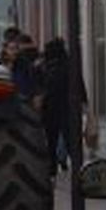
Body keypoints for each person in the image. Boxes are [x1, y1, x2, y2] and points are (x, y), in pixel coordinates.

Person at [40, 37, 89, 186]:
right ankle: (79, 171)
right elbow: (80, 86)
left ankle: (52, 173)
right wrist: (86, 106)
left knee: (51, 142)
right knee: (72, 142)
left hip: (50, 111)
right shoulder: (70, 66)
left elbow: (43, 89)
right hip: (69, 110)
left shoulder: (46, 68)